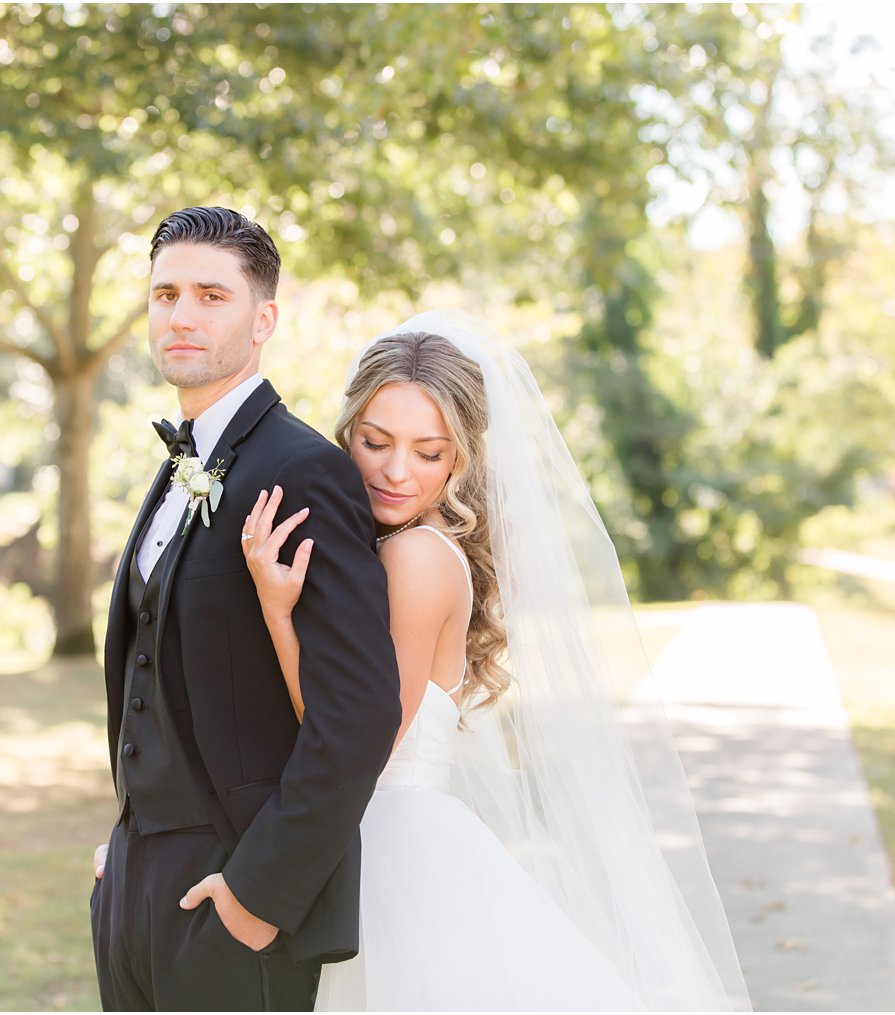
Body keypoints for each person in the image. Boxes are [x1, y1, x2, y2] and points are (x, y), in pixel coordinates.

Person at [240, 313, 752, 1011]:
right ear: (345, 431)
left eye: (429, 451)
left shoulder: (414, 556)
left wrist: (276, 612)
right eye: (375, 441)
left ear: (461, 459)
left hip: (393, 853)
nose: (395, 471)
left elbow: (356, 744)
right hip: (382, 840)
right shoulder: (399, 547)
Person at [89, 206, 403, 1011]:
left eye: (210, 295)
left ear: (263, 319)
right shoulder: (179, 463)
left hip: (235, 899)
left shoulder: (305, 470)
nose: (181, 315)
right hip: (134, 889)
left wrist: (259, 895)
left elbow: (359, 714)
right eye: (164, 295)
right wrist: (126, 855)